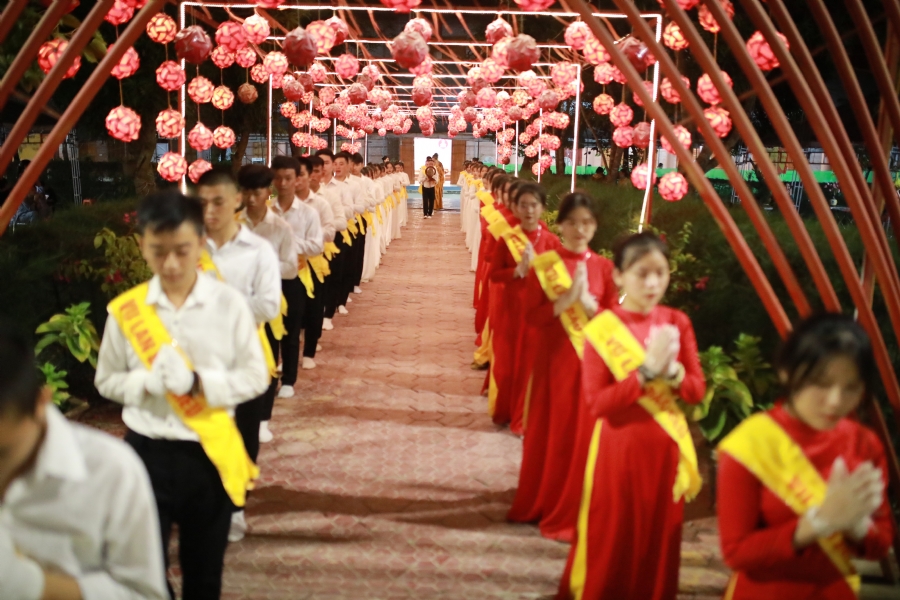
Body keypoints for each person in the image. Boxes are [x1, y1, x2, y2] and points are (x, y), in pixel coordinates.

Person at [95, 191, 269, 600]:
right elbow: (106, 380)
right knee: (143, 575)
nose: (171, 264)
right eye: (158, 252)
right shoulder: (126, 310)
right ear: (142, 246)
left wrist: (198, 383)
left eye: (182, 250)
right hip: (145, 452)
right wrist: (143, 385)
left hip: (208, 453)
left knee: (204, 574)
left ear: (201, 242)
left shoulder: (229, 305)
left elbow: (256, 376)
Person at [557, 231, 705, 600]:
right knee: (614, 532)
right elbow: (598, 403)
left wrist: (673, 374)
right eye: (642, 274)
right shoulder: (603, 328)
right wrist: (643, 376)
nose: (653, 283)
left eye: (660, 273)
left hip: (665, 449)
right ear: (619, 276)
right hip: (619, 450)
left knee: (660, 535)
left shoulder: (677, 321)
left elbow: (696, 390)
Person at [716, 314, 892, 599]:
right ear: (787, 372)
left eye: (851, 387)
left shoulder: (863, 443)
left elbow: (881, 543)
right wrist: (818, 523)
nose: (835, 401)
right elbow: (736, 553)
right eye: (821, 383)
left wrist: (858, 526)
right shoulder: (750, 444)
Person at [0, 320, 168, 600]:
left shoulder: (110, 471)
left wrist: (31, 585)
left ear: (41, 403)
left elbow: (143, 595)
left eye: (3, 453)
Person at [508, 193, 618, 535]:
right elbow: (532, 317)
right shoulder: (545, 264)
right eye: (572, 222)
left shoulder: (605, 268)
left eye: (587, 222)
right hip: (553, 361)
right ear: (561, 225)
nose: (579, 229)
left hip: (590, 364)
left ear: (595, 226)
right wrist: (566, 301)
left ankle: (578, 502)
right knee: (552, 432)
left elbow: (616, 322)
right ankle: (545, 498)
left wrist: (591, 307)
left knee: (583, 435)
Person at [195, 167, 282, 543]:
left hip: (245, 355)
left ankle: (235, 507)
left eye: (218, 202)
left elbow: (268, 305)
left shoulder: (258, 251)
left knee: (242, 436)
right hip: (198, 357)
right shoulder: (188, 247)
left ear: (236, 200)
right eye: (202, 203)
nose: (209, 211)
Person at [485, 182, 561, 427]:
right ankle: (507, 410)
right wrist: (517, 272)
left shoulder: (551, 241)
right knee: (508, 364)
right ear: (515, 208)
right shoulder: (507, 240)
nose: (529, 210)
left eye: (534, 205)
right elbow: (494, 275)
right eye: (524, 205)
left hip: (538, 312)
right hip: (511, 309)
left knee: (531, 364)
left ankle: (526, 415)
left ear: (542, 208)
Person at [237, 164, 296, 446]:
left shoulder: (280, 228)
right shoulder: (232, 225)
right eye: (246, 192)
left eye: (257, 192)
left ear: (267, 192)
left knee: (268, 359)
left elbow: (291, 267)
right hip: (235, 305)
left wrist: (262, 268)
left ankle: (262, 418)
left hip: (267, 302)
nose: (251, 199)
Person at [270, 156, 324, 396]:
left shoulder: (308, 213)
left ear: (297, 180)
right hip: (267, 279)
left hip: (294, 277)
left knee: (291, 330)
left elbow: (316, 246)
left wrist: (290, 242)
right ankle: (269, 377)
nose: (283, 183)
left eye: (288, 178)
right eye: (278, 178)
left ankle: (289, 380)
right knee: (268, 331)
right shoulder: (265, 210)